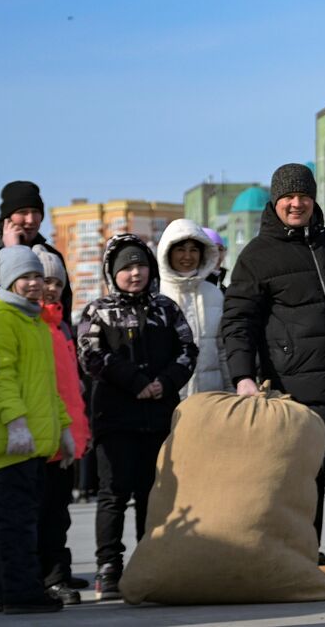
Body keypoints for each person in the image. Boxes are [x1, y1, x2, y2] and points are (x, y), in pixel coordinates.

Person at [220, 162, 325, 593]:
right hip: (293, 395)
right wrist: (242, 377)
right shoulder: (257, 257)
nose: (296, 204)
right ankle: (301, 566)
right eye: (288, 197)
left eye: (304, 196)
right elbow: (238, 322)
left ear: (315, 199)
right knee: (299, 491)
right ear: (275, 202)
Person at [76, 235, 198, 602]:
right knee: (113, 495)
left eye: (141, 265)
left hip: (160, 417)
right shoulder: (97, 311)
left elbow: (188, 349)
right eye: (127, 267)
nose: (135, 273)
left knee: (154, 495)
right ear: (114, 272)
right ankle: (108, 567)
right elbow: (90, 355)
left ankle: (150, 562)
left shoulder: (166, 308)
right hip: (116, 419)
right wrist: (136, 383)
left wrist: (164, 382)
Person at [0, 246, 75, 616]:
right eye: (25, 278)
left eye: (38, 278)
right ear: (9, 281)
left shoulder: (37, 323)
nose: (34, 284)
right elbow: (1, 377)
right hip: (9, 446)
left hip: (36, 446)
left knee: (27, 519)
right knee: (16, 524)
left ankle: (12, 589)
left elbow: (50, 387)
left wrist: (64, 430)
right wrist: (15, 422)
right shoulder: (1, 318)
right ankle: (20, 594)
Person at [35, 250, 89, 605]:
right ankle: (48, 578)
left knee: (58, 512)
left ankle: (57, 572)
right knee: (41, 514)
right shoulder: (33, 324)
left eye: (57, 282)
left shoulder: (61, 325)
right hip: (41, 436)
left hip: (65, 435)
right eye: (45, 281)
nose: (51, 288)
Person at [154, 219, 227, 395]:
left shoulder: (215, 294)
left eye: (193, 250)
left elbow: (224, 350)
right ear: (167, 252)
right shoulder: (156, 295)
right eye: (180, 249)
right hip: (170, 399)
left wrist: (232, 392)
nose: (187, 256)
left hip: (212, 397)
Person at [0, 181, 73, 325]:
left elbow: (64, 309)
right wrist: (12, 251)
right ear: (7, 217)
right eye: (22, 212)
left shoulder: (51, 255)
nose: (31, 220)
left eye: (36, 212)